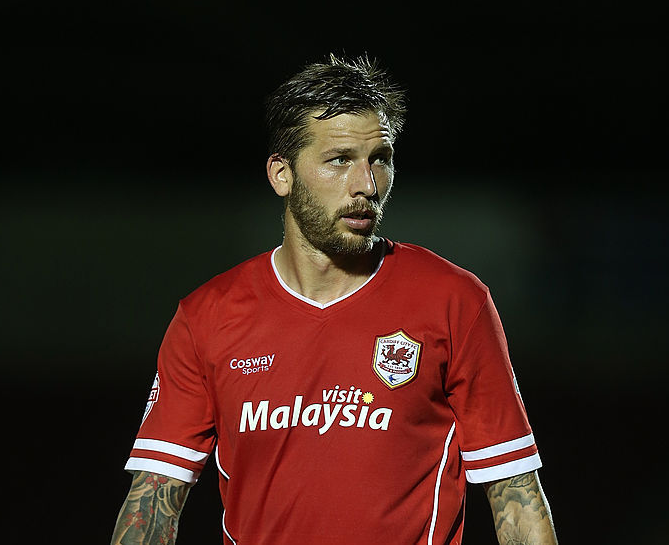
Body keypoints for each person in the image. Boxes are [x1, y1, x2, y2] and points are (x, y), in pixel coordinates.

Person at [111, 54, 558, 545]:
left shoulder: (454, 301)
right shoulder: (206, 317)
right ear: (282, 174)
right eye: (340, 160)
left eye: (379, 160)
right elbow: (152, 503)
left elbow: (515, 498)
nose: (366, 185)